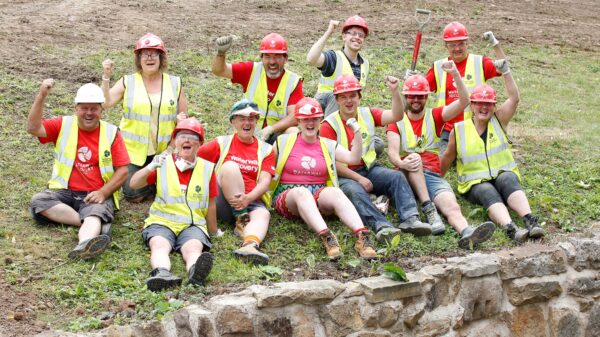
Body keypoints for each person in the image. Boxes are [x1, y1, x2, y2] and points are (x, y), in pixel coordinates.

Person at [387, 62, 496, 249]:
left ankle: (466, 232)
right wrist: (402, 164)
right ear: (405, 97)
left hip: (432, 176)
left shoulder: (435, 116)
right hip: (405, 175)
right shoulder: (396, 120)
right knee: (414, 159)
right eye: (412, 96)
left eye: (420, 96)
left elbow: (464, 102)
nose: (415, 100)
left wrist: (454, 73)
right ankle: (429, 209)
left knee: (451, 205)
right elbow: (393, 154)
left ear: (427, 97)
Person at [440, 60, 545, 242]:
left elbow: (514, 98)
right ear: (472, 105)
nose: (484, 107)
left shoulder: (499, 120)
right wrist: (434, 181)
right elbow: (447, 158)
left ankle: (530, 220)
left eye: (488, 104)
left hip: (501, 174)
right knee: (487, 191)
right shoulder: (459, 130)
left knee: (508, 178)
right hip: (474, 183)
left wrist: (506, 71)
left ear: (494, 106)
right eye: (479, 103)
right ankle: (511, 228)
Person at [320, 74, 431, 242]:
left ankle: (410, 219)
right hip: (344, 175)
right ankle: (382, 226)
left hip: (370, 168)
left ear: (359, 97)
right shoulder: (328, 125)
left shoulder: (367, 114)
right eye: (343, 97)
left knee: (396, 176)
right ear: (336, 99)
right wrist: (358, 178)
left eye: (352, 96)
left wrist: (395, 92)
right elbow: (332, 163)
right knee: (354, 191)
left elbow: (397, 115)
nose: (348, 101)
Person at [27, 80, 129, 260]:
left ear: (101, 110)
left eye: (94, 108)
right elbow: (33, 128)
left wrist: (103, 192)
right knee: (39, 201)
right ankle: (94, 225)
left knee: (95, 210)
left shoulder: (112, 132)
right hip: (64, 192)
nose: (89, 113)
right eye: (84, 108)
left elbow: (123, 171)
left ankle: (84, 245)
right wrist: (41, 95)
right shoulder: (63, 125)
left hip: (94, 194)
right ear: (76, 109)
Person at [269, 97, 377, 259]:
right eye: (306, 120)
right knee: (301, 193)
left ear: (320, 120)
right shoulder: (282, 141)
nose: (310, 123)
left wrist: (357, 134)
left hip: (318, 193)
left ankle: (362, 236)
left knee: (335, 191)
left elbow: (353, 159)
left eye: (314, 119)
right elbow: (266, 165)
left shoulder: (328, 144)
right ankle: (327, 237)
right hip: (289, 194)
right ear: (298, 121)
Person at [130, 118, 217, 291]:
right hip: (162, 221)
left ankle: (195, 272)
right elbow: (133, 184)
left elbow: (211, 203)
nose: (187, 140)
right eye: (182, 136)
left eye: (193, 137)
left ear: (200, 143)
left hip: (192, 225)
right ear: (175, 141)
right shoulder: (162, 163)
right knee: (160, 245)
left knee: (193, 248)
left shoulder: (207, 168)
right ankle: (162, 273)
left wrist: (213, 231)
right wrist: (150, 167)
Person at [101, 33, 188, 202]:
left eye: (154, 53)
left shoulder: (175, 83)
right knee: (133, 194)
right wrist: (106, 77)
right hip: (133, 153)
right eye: (144, 54)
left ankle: (157, 178)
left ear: (161, 58)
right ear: (138, 58)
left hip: (164, 151)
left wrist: (171, 150)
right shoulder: (128, 81)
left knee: (175, 190)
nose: (149, 58)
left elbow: (183, 123)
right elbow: (105, 103)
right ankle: (152, 180)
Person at [197, 99, 275, 265]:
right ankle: (240, 216)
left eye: (252, 119)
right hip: (223, 200)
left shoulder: (266, 149)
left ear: (256, 122)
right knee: (231, 167)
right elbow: (193, 159)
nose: (247, 122)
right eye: (242, 118)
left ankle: (249, 246)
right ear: (233, 122)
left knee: (264, 214)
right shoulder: (221, 143)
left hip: (251, 200)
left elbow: (265, 181)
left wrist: (247, 198)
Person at [425, 23, 506, 155]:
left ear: (467, 43)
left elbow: (503, 67)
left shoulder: (479, 62)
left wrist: (495, 44)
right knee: (444, 158)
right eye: (452, 45)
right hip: (447, 129)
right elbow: (418, 93)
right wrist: (411, 80)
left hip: (475, 127)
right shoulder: (438, 66)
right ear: (446, 46)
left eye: (461, 44)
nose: (457, 48)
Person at [211, 33, 304, 143]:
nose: (272, 62)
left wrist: (270, 129)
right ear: (261, 57)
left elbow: (294, 116)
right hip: (249, 131)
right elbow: (219, 71)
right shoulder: (250, 70)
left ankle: (279, 158)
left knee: (293, 132)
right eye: (267, 56)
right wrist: (220, 53)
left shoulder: (293, 81)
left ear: (285, 58)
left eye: (277, 56)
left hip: (275, 134)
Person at [307, 15, 370, 117]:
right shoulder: (334, 58)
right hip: (323, 109)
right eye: (353, 33)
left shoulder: (365, 64)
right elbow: (311, 59)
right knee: (340, 95)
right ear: (344, 36)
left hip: (347, 110)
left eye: (361, 35)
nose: (357, 37)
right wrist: (329, 32)